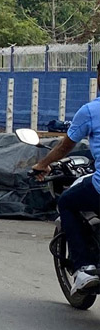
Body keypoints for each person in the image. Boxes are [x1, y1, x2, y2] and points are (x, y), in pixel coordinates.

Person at [33, 62, 100, 295]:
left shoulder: (91, 111)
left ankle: (84, 269)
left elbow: (64, 147)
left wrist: (43, 164)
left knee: (66, 203)